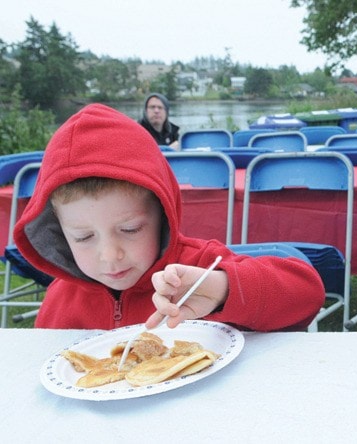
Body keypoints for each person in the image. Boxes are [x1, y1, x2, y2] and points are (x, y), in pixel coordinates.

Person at [13, 103, 325, 330]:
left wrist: (222, 289)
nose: (110, 255)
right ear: (60, 233)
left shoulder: (200, 265)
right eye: (83, 237)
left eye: (131, 229)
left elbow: (307, 295)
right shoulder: (58, 303)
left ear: (163, 214)